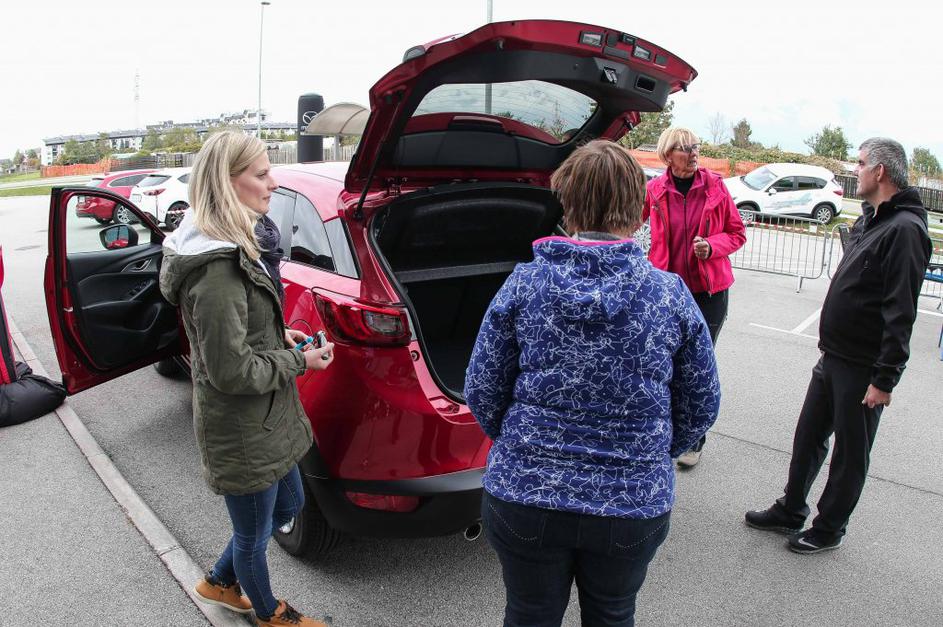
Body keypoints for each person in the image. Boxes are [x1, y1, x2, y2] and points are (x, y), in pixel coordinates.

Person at [465, 140, 721, 627]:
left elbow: (482, 387)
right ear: (639, 208)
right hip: (632, 501)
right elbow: (702, 402)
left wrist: (522, 441)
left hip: (526, 491)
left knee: (529, 615)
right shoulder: (669, 295)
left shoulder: (525, 284)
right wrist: (652, 450)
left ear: (567, 202)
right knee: (612, 614)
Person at [159, 131, 334, 626]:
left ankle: (219, 580)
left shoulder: (238, 244)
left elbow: (245, 332)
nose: (273, 183)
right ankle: (269, 612)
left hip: (267, 416)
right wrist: (300, 362)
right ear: (226, 182)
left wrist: (282, 338)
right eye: (261, 174)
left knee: (288, 504)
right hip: (240, 427)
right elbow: (231, 370)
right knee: (254, 536)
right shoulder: (215, 272)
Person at [745, 137, 931, 554]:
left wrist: (885, 379)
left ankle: (829, 528)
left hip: (863, 366)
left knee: (850, 454)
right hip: (834, 357)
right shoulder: (875, 219)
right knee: (808, 436)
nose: (854, 170)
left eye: (860, 163)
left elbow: (900, 311)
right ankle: (791, 509)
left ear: (880, 171)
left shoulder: (905, 230)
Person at [642, 127, 746, 468]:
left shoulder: (715, 187)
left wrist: (712, 246)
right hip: (668, 292)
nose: (693, 153)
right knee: (663, 363)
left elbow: (737, 232)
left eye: (695, 146)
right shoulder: (655, 190)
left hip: (708, 293)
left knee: (697, 369)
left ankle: (693, 441)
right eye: (685, 148)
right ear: (668, 154)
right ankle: (663, 432)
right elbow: (627, 223)